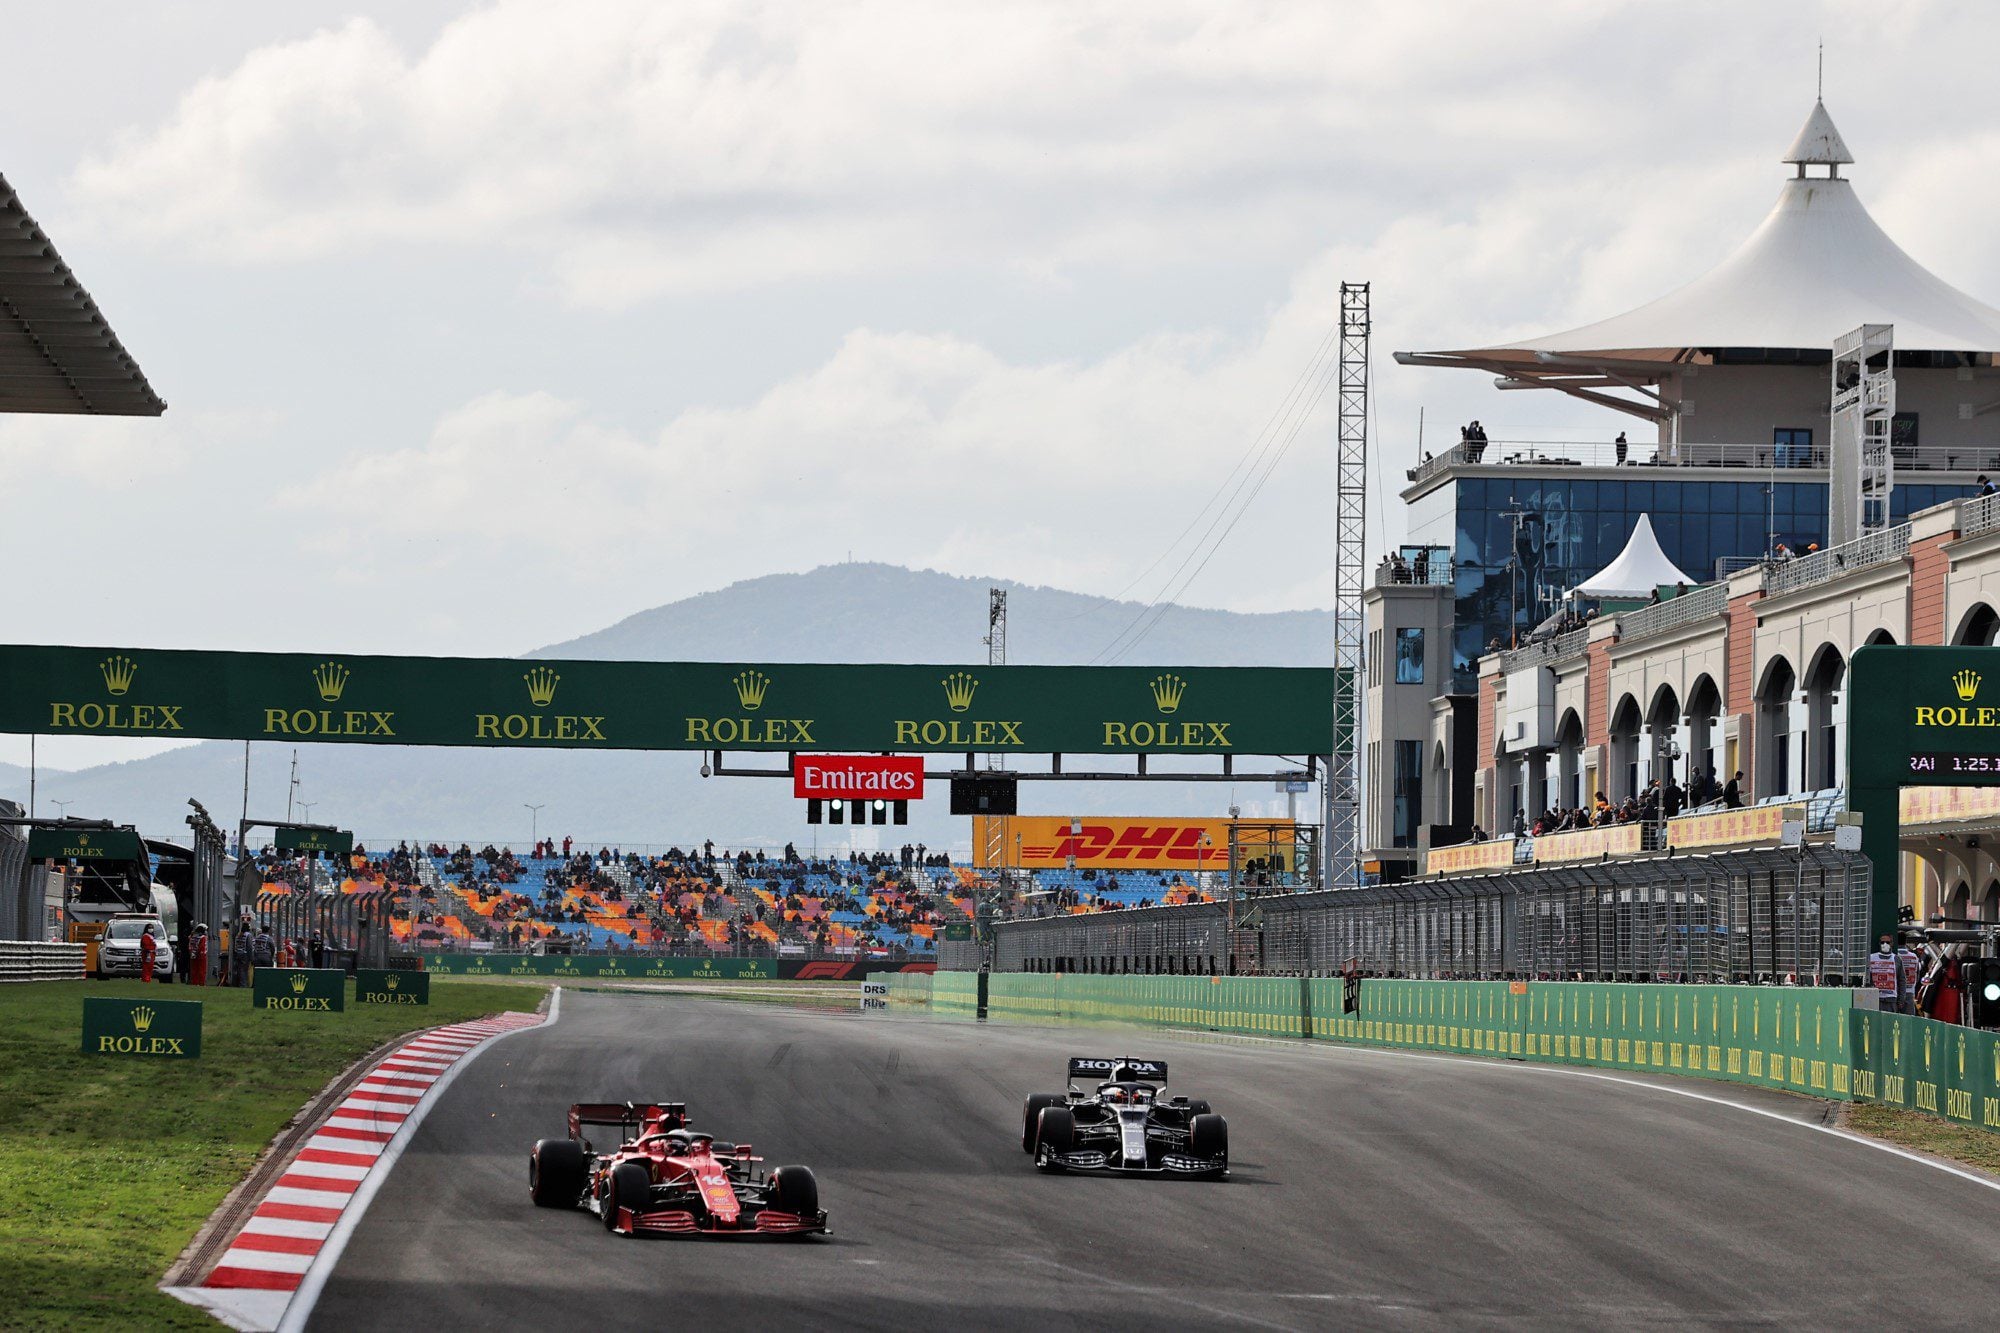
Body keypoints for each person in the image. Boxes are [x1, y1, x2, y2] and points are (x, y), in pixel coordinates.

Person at [189, 923, 209, 988]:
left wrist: (192, 953)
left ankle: (195, 983)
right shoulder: (203, 937)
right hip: (201, 956)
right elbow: (202, 947)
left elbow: (190, 946)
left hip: (193, 955)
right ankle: (201, 983)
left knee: (194, 970)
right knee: (202, 970)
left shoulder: (192, 936)